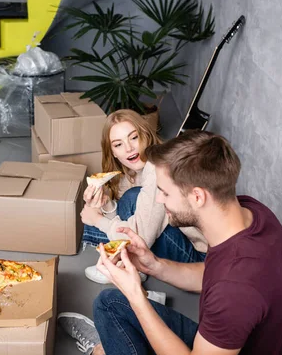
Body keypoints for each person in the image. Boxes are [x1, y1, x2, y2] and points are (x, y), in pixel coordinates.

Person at [58, 130, 282, 355]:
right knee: (109, 302)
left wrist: (136, 294)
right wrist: (154, 265)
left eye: (165, 192)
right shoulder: (252, 214)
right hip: (226, 346)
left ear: (197, 196)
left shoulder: (234, 290)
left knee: (127, 306)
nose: (159, 199)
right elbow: (211, 274)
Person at [81, 109, 207, 283]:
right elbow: (127, 220)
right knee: (128, 200)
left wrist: (97, 220)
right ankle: (128, 265)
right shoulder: (129, 176)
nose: (129, 148)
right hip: (175, 239)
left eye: (134, 137)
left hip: (199, 257)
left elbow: (138, 238)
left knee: (125, 206)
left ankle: (128, 267)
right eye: (118, 145)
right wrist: (107, 204)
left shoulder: (157, 168)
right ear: (113, 153)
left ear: (146, 135)